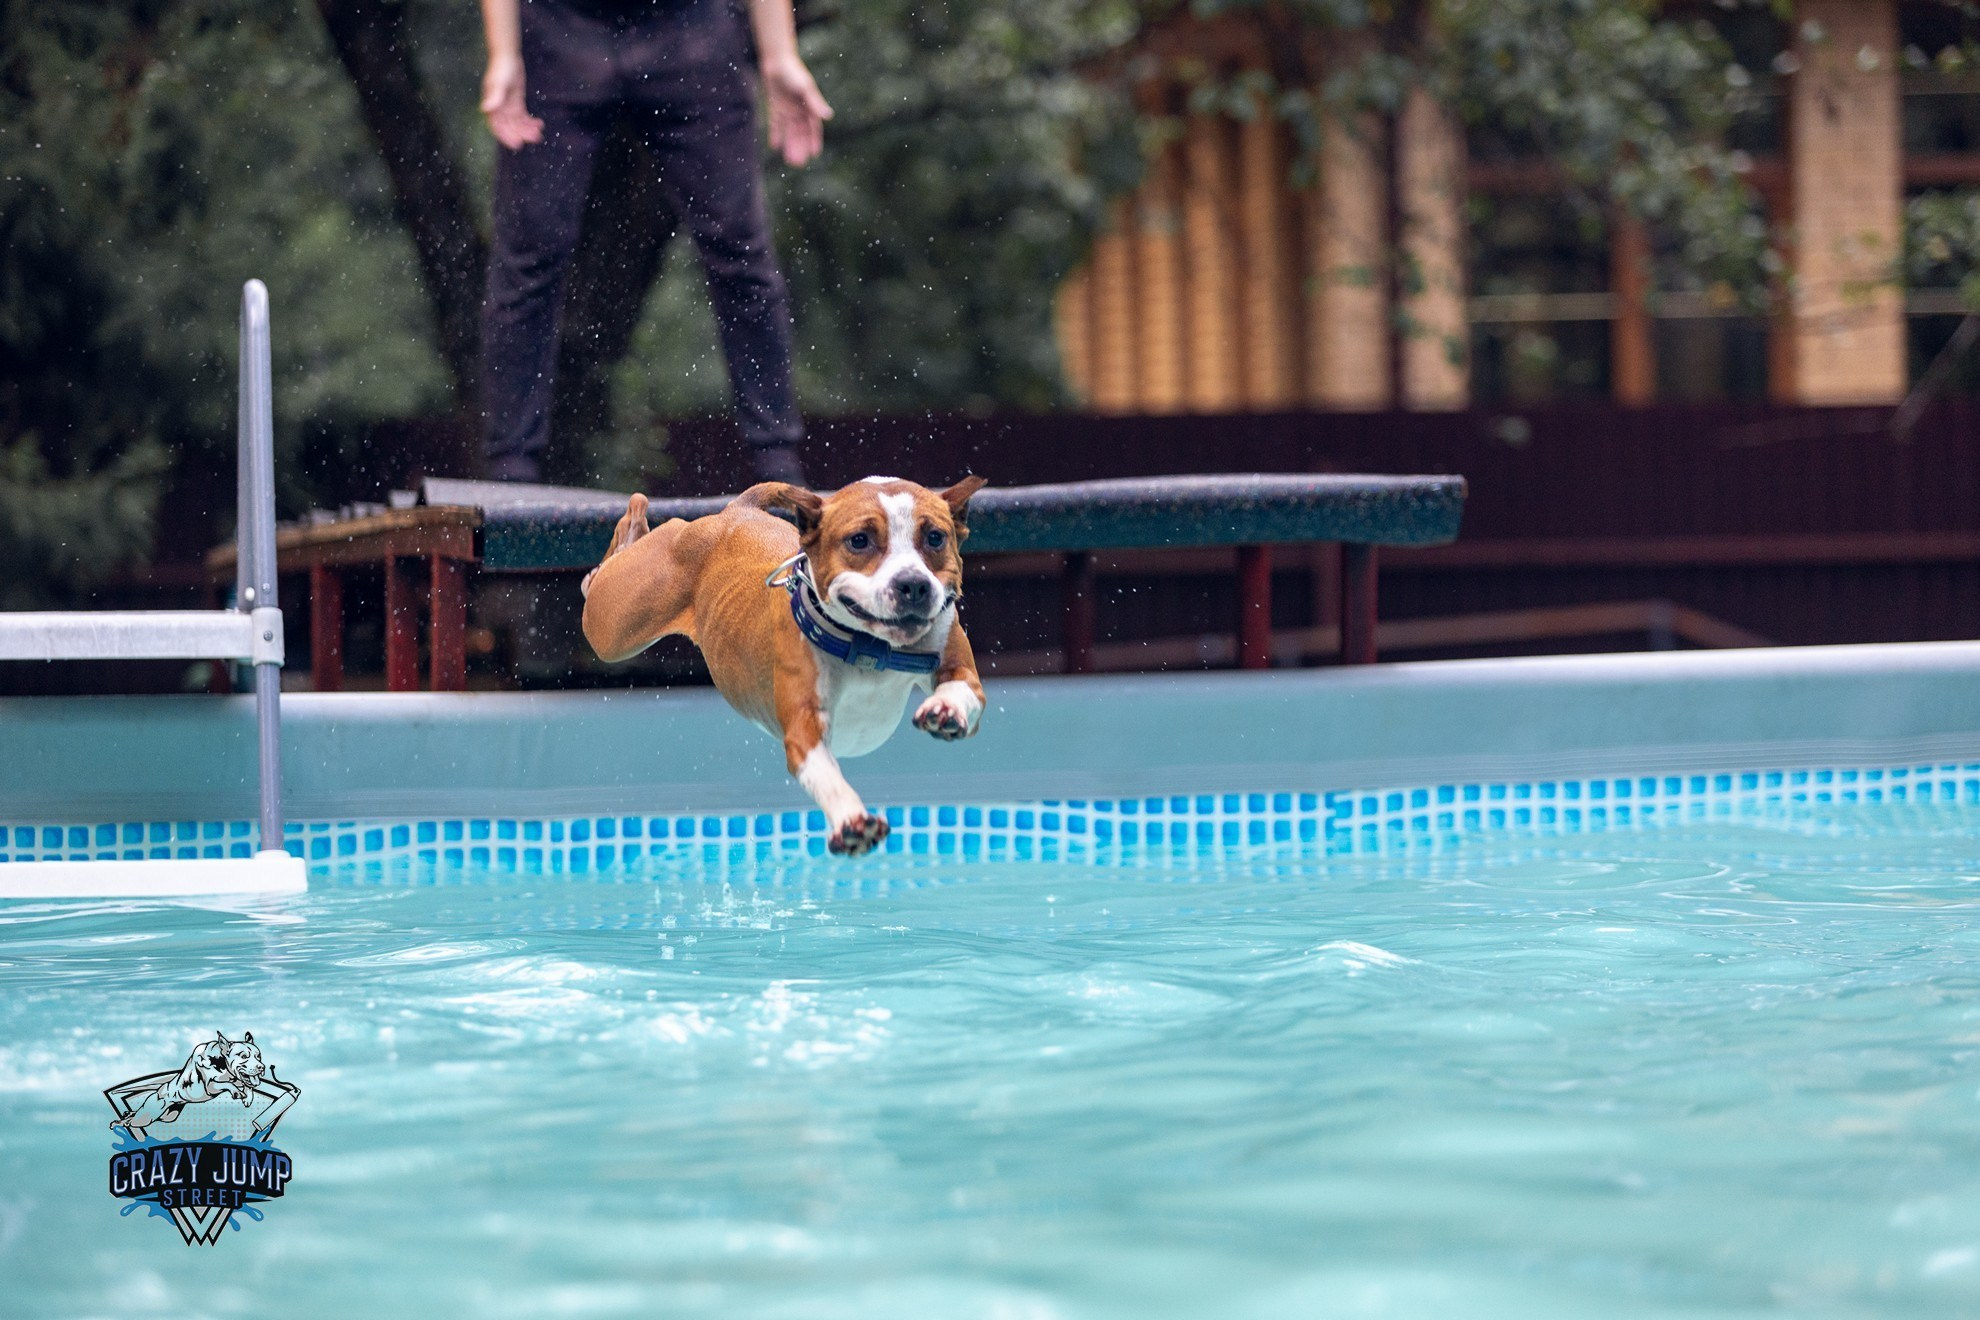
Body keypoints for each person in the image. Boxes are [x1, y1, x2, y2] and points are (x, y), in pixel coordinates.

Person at [478, 0, 830, 485]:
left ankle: (779, 464)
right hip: (558, 31)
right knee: (528, 255)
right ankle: (510, 472)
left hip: (693, 32)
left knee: (740, 247)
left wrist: (779, 56)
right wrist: (504, 53)